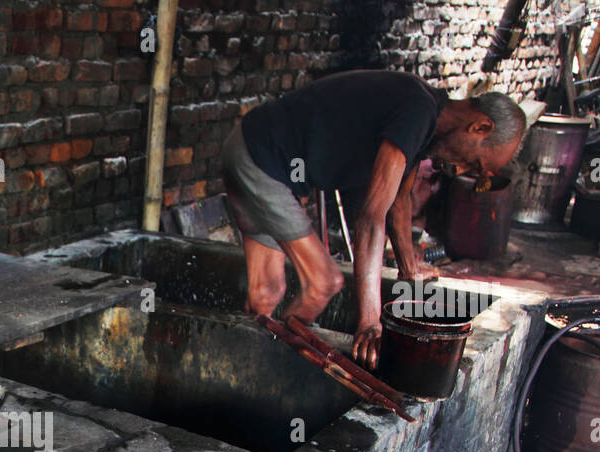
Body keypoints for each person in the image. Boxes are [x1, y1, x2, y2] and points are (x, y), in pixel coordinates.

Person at [221, 70, 526, 368]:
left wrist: (410, 277)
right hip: (263, 160)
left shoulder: (425, 119)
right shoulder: (417, 111)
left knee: (266, 293)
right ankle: (278, 367)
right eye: (472, 162)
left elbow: (398, 204)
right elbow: (371, 216)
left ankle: (234, 363)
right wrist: (369, 322)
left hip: (251, 147)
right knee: (324, 282)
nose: (458, 171)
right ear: (479, 127)